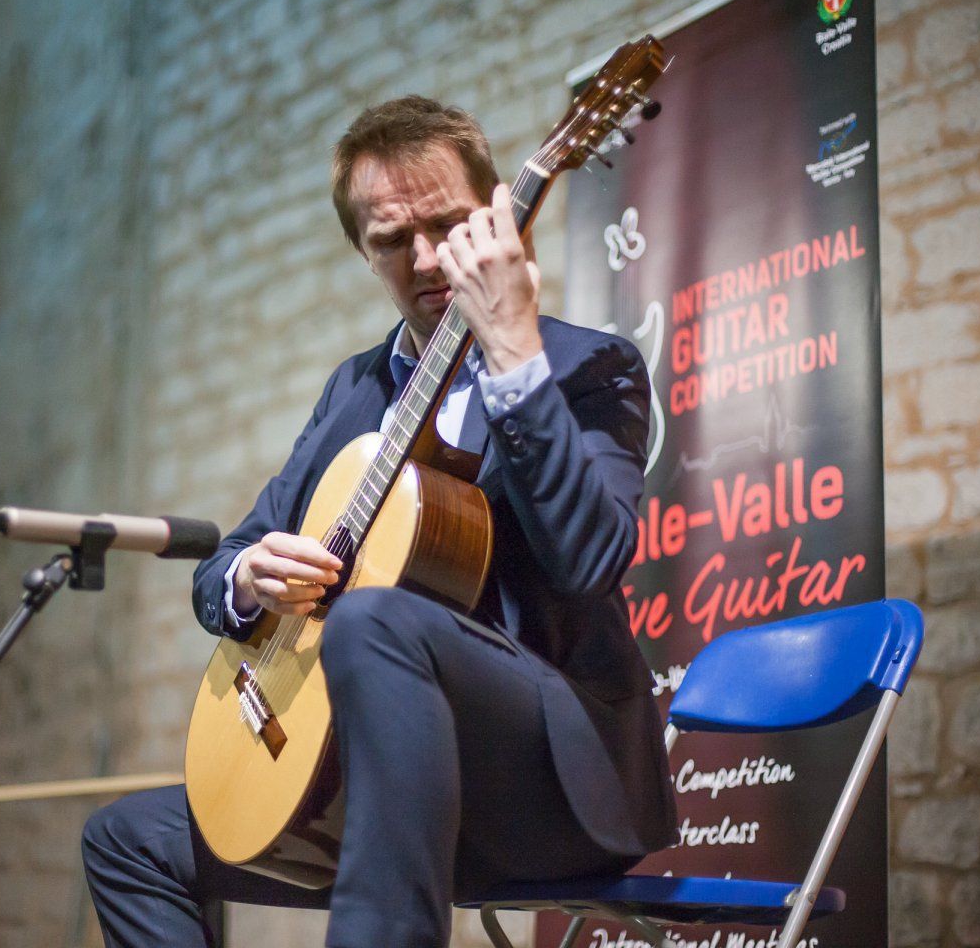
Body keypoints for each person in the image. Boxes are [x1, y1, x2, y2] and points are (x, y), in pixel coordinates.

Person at [82, 95, 676, 948]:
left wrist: (512, 351)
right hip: (382, 783)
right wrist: (249, 579)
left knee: (374, 618)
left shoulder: (588, 365)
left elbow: (590, 560)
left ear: (496, 218)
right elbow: (223, 564)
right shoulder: (354, 390)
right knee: (127, 841)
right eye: (393, 239)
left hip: (551, 783)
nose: (426, 258)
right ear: (362, 252)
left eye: (447, 225)